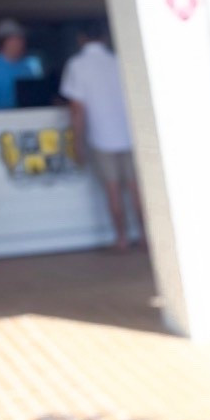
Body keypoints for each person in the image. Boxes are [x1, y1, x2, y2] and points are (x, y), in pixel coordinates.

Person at [59, 21, 143, 251]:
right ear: (105, 37)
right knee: (136, 189)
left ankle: (122, 239)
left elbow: (77, 108)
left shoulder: (77, 65)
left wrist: (77, 141)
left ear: (80, 39)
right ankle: (147, 237)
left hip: (101, 136)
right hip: (130, 134)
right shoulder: (119, 62)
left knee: (113, 189)